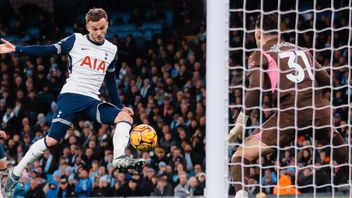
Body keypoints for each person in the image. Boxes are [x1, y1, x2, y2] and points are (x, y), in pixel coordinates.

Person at [0, 8, 144, 198]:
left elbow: (110, 81)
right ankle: (15, 173)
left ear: (107, 24)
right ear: (87, 27)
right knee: (52, 140)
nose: (99, 32)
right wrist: (17, 49)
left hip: (93, 101)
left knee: (124, 117)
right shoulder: (76, 40)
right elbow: (48, 49)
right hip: (71, 97)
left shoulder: (112, 49)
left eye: (102, 28)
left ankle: (119, 157)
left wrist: (119, 106)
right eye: (94, 29)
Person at [227, 14, 348, 198]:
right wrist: (320, 103)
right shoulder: (301, 50)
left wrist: (241, 122)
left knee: (240, 157)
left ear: (258, 34)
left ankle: (241, 194)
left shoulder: (261, 53)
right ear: (280, 32)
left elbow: (257, 86)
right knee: (335, 138)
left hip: (289, 114)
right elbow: (326, 80)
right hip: (318, 110)